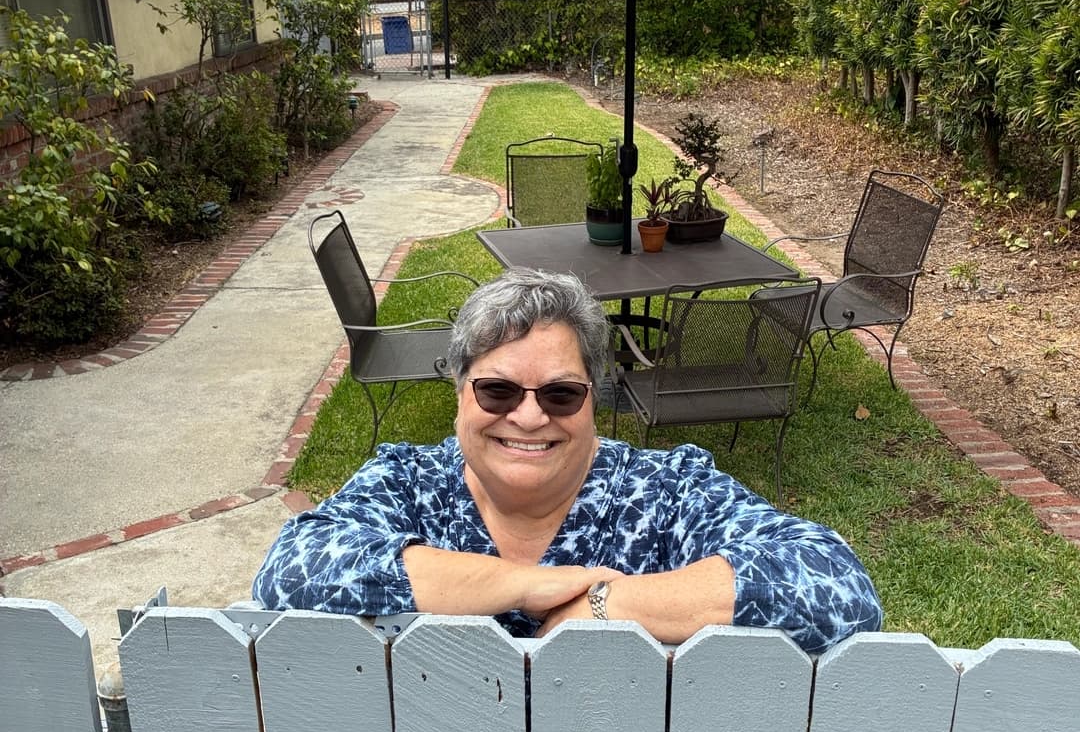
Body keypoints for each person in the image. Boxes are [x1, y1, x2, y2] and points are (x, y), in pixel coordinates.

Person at [253, 268, 882, 652]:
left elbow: (836, 585)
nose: (528, 417)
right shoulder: (409, 482)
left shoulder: (662, 492)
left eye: (560, 392)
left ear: (592, 399)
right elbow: (291, 569)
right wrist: (526, 586)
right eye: (497, 389)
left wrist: (607, 606)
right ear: (459, 390)